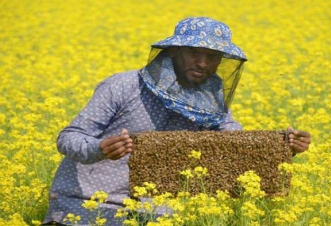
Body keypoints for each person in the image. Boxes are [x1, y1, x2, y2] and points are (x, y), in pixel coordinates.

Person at [43, 17, 311, 225]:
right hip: (84, 205)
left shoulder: (211, 100)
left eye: (213, 56)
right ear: (173, 51)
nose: (203, 63)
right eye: (194, 52)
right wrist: (99, 148)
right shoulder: (123, 86)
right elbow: (69, 137)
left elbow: (238, 146)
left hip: (158, 214)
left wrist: (283, 147)